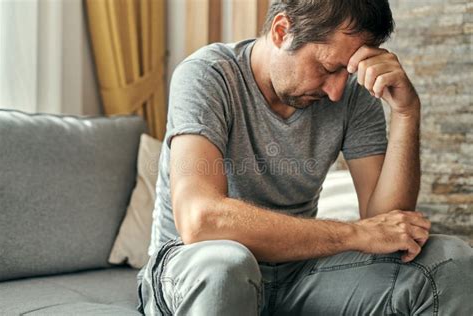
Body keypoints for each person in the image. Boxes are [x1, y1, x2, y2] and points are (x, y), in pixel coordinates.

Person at [137, 0, 473, 315]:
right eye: (327, 68)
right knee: (227, 265)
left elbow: (385, 226)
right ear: (282, 31)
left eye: (348, 71)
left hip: (298, 271)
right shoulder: (207, 74)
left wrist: (406, 112)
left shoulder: (352, 94)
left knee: (449, 260)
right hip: (194, 266)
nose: (336, 90)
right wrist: (354, 234)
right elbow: (201, 220)